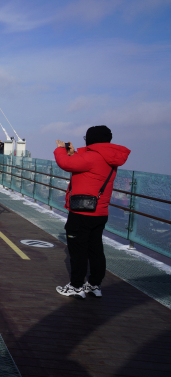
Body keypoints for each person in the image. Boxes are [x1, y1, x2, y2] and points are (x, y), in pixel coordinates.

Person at [54, 126, 130, 299]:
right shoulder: (109, 157)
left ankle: (76, 286)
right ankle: (94, 285)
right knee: (95, 249)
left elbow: (66, 164)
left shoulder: (93, 156)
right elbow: (86, 167)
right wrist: (74, 153)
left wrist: (60, 150)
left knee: (78, 251)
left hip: (82, 212)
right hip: (100, 212)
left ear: (91, 139)